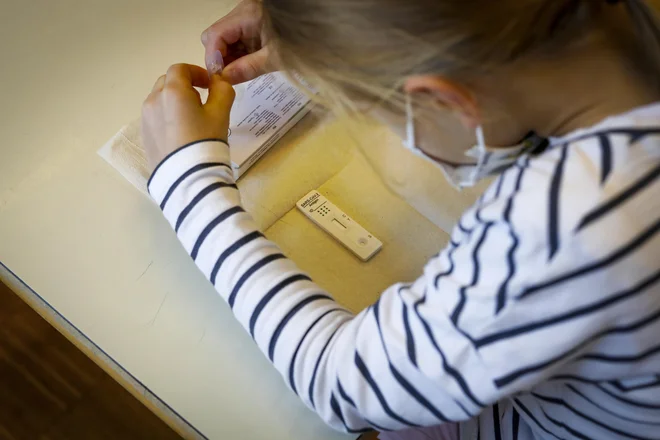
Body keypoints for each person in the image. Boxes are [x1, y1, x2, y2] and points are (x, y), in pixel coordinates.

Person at [140, 0, 660, 438]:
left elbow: (341, 381)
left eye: (378, 110)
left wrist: (189, 180)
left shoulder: (564, 229)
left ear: (444, 99)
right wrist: (325, 26)